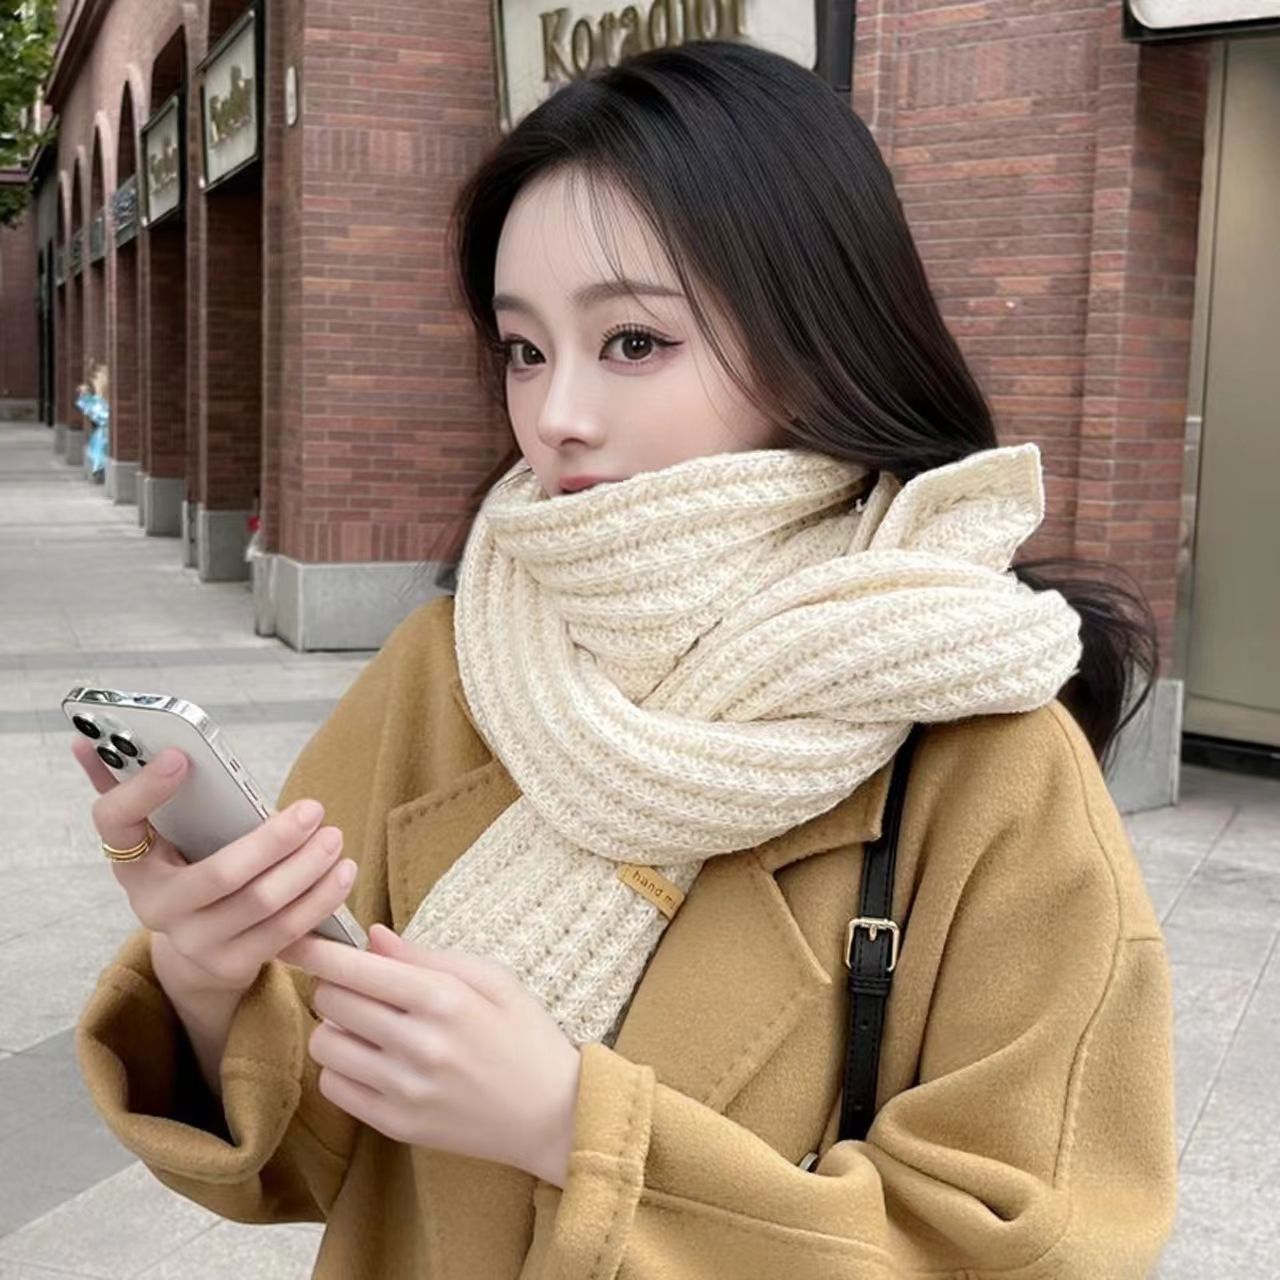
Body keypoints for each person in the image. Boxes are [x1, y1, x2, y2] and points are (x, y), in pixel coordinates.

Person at [74, 39, 1176, 1279]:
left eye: (634, 341)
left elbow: (1041, 1240)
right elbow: (311, 1152)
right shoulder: (451, 670)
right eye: (523, 348)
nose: (555, 416)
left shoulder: (985, 753)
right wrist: (209, 978)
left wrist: (573, 1128)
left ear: (817, 336)